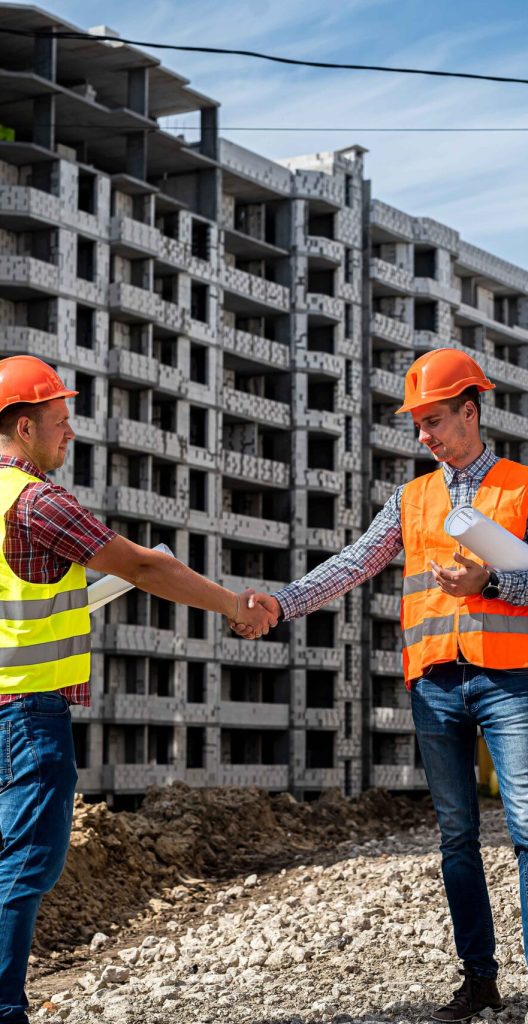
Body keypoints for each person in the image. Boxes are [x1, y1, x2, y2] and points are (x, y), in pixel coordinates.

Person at [232, 347, 528, 1024]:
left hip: (506, 683)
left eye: (434, 420)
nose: (423, 434)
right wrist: (283, 603)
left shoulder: (525, 486)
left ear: (470, 412)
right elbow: (353, 563)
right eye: (417, 423)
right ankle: (479, 984)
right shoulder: (411, 498)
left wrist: (497, 581)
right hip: (435, 688)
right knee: (457, 837)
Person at [0, 355, 277, 1024]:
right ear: (23, 426)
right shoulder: (37, 501)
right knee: (22, 864)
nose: (71, 434)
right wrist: (233, 605)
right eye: (60, 422)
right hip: (25, 711)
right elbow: (144, 566)